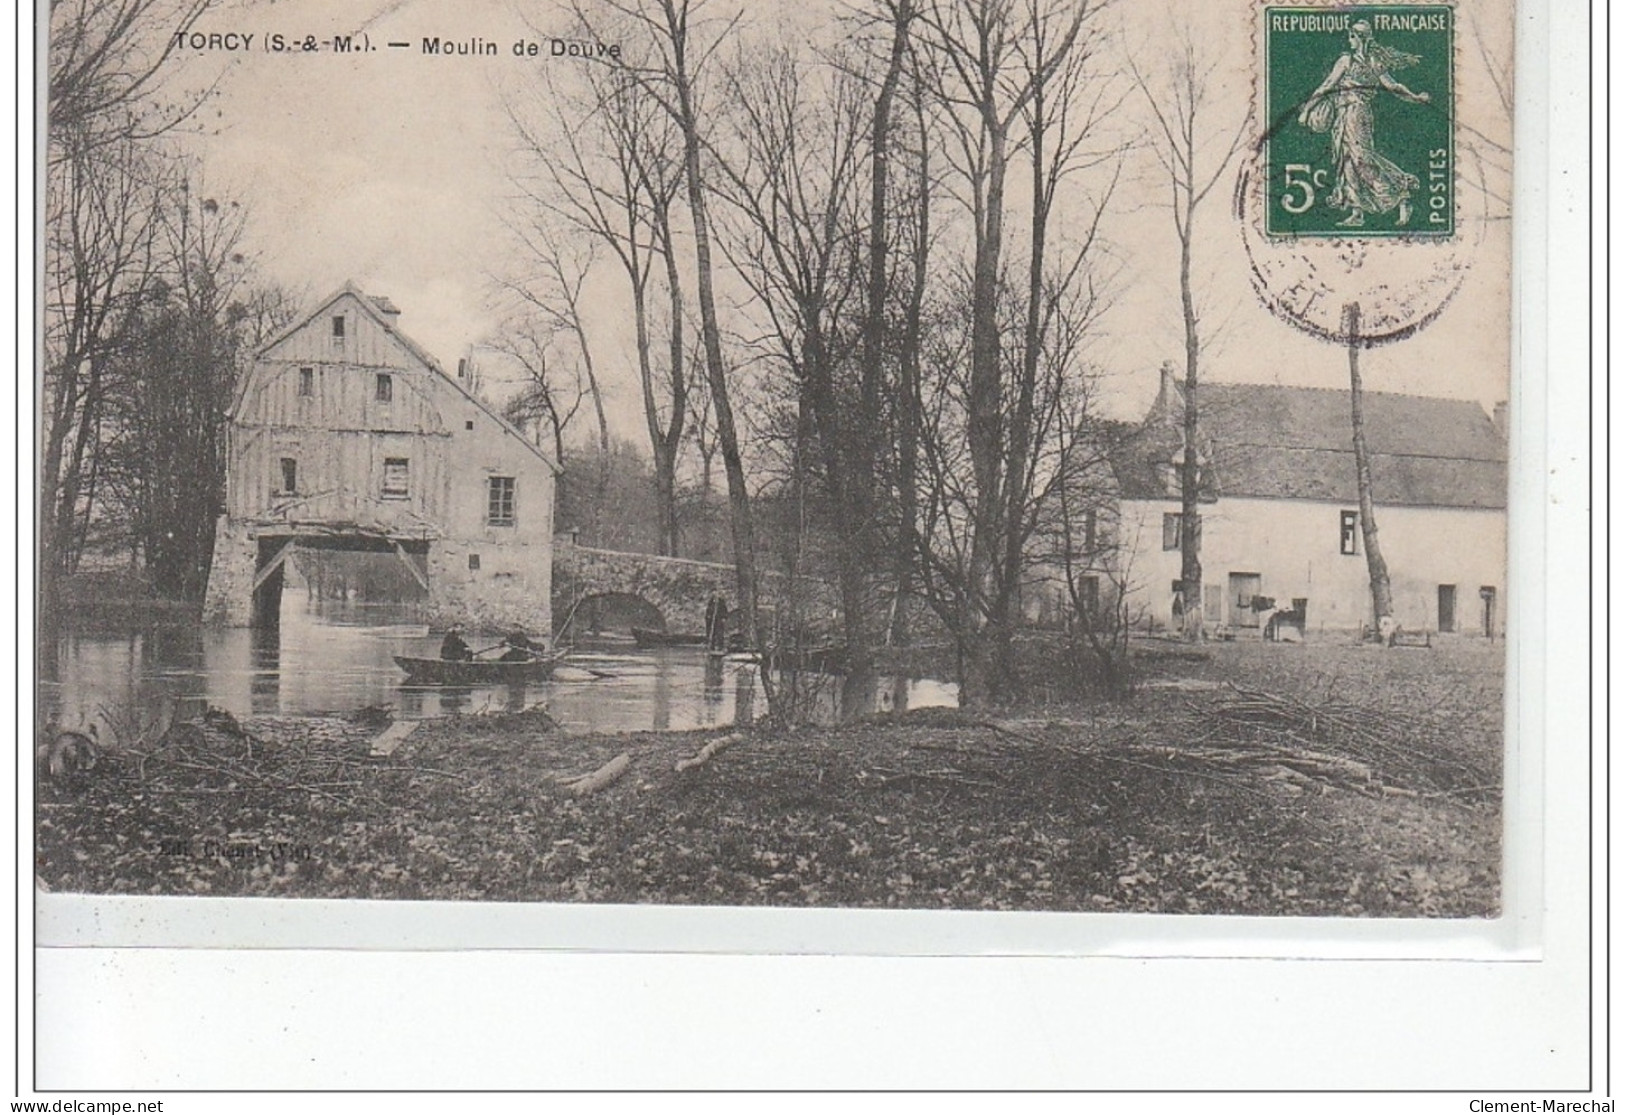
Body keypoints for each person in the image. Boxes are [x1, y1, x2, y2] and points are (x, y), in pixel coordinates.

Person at [1298, 20, 1431, 228]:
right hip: (1343, 115)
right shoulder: (1345, 60)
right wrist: (1307, 109)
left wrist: (1415, 97)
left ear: (1362, 38)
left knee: (1362, 158)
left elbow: (1393, 86)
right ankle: (1357, 212)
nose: (1349, 40)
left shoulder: (1372, 61)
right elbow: (1327, 86)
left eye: (1352, 36)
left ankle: (1401, 193)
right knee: (1347, 161)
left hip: (1358, 113)